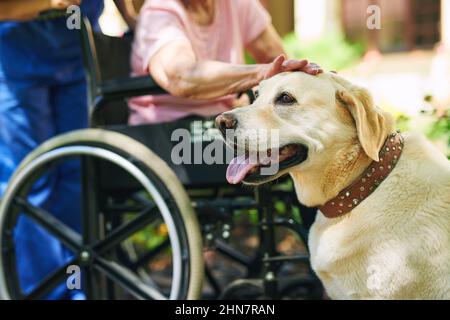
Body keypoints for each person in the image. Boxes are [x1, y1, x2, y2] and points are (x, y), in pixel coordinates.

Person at [0, 0, 135, 299]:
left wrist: (133, 20)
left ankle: (77, 288)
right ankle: (45, 292)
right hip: (15, 59)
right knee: (30, 182)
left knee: (78, 173)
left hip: (76, 56)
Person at [129, 0, 322, 124]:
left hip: (225, 121)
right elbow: (181, 77)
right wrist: (258, 73)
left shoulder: (237, 4)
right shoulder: (159, 12)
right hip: (171, 128)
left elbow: (277, 59)